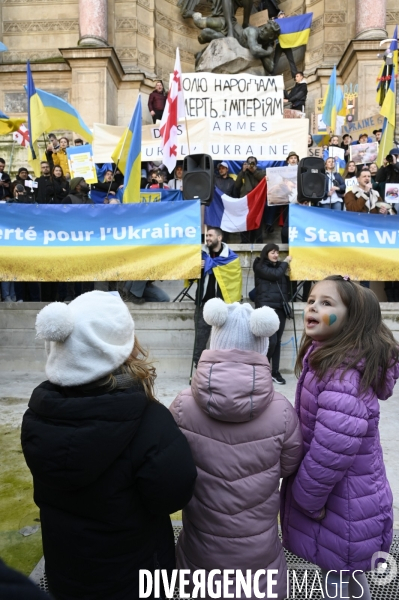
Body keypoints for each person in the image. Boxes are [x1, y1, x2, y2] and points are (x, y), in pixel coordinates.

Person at [21, 291, 197, 600]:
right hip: (135, 576)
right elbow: (173, 495)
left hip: (66, 572)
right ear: (123, 348)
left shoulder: (38, 414)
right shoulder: (149, 422)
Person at [170, 298, 302, 600]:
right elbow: (289, 463)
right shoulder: (281, 410)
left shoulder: (182, 405)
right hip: (259, 548)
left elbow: (171, 463)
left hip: (201, 544)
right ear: (262, 347)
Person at [281, 276, 399, 600]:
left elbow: (331, 450)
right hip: (346, 501)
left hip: (341, 505)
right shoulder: (328, 360)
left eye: (327, 303)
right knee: (345, 576)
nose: (313, 307)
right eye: (311, 300)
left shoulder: (340, 375)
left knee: (340, 580)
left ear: (353, 320)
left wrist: (306, 500)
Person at [193, 226, 242, 367]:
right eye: (206, 236)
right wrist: (196, 267)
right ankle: (199, 367)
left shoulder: (231, 258)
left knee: (223, 338)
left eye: (210, 235)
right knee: (200, 338)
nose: (207, 238)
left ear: (219, 238)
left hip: (223, 305)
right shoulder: (200, 255)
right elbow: (189, 275)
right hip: (203, 303)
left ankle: (221, 368)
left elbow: (235, 281)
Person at [253, 243, 291, 385]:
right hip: (266, 308)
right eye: (272, 252)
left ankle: (275, 371)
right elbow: (275, 275)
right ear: (266, 254)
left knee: (278, 341)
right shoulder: (259, 265)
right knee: (271, 341)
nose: (276, 255)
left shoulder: (280, 267)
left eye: (277, 252)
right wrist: (286, 263)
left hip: (280, 307)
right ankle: (263, 369)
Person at [234, 156, 266, 243]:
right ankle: (244, 242)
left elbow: (263, 178)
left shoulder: (260, 171)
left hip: (257, 201)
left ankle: (259, 242)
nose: (251, 165)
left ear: (256, 164)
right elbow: (237, 185)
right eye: (249, 163)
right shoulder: (243, 173)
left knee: (257, 221)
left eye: (253, 163)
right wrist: (243, 172)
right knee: (244, 221)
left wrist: (254, 172)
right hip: (245, 202)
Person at [272, 11, 298, 77]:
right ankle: (271, 75)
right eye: (281, 15)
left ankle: (295, 75)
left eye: (283, 14)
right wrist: (275, 19)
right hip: (279, 44)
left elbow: (295, 21)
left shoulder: (287, 23)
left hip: (286, 44)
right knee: (275, 60)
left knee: (291, 59)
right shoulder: (276, 22)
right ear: (278, 16)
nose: (283, 15)